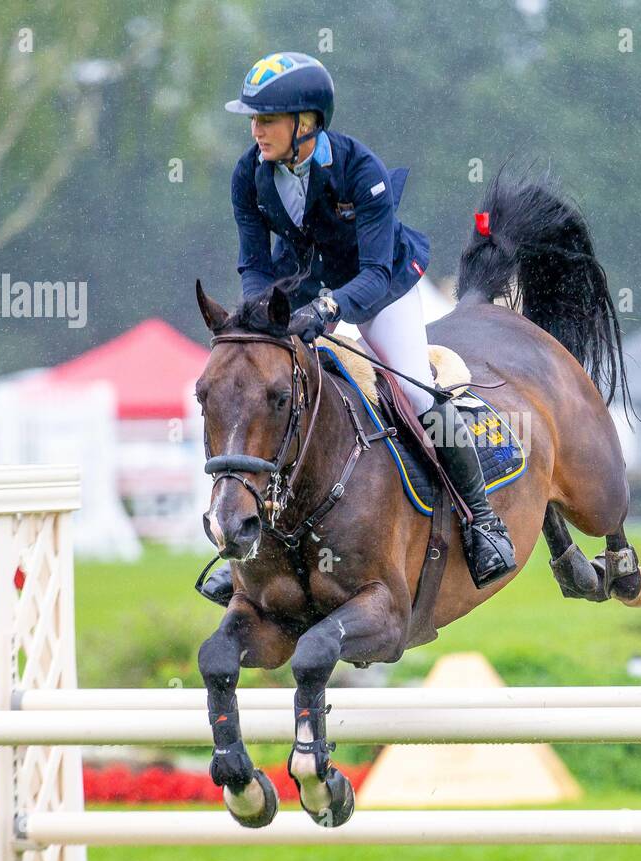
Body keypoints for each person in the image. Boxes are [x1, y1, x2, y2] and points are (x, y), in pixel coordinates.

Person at [200, 52, 516, 602]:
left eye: (266, 120)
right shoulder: (248, 173)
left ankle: (482, 522)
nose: (256, 131)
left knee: (417, 393)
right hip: (298, 292)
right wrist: (261, 320)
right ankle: (249, 546)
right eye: (252, 120)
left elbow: (370, 273)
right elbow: (254, 262)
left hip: (380, 290)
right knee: (267, 398)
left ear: (307, 123)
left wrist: (325, 311)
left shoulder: (358, 170)